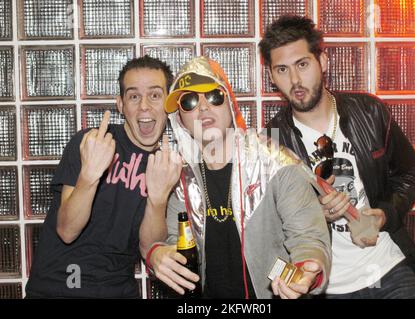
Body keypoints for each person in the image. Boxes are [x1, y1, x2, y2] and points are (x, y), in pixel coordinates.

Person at [259, 15, 415, 299]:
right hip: (327, 285)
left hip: (389, 268)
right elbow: (270, 222)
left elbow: (409, 171)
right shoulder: (273, 141)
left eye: (302, 64)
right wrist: (315, 215)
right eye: (282, 70)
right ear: (272, 76)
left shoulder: (369, 112)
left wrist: (385, 214)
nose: (296, 80)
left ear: (322, 62)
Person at [146, 56, 331, 299]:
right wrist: (158, 254)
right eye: (189, 101)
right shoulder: (180, 176)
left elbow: (308, 236)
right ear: (179, 119)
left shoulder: (275, 162)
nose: (203, 107)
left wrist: (307, 269)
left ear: (230, 104)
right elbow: (171, 242)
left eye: (214, 96)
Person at [26, 56, 182, 298]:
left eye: (154, 95)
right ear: (120, 105)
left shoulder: (167, 166)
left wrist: (158, 198)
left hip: (117, 290)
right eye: (133, 96)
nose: (144, 106)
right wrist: (89, 176)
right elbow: (67, 230)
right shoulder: (92, 142)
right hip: (57, 288)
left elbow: (149, 249)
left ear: (168, 104)